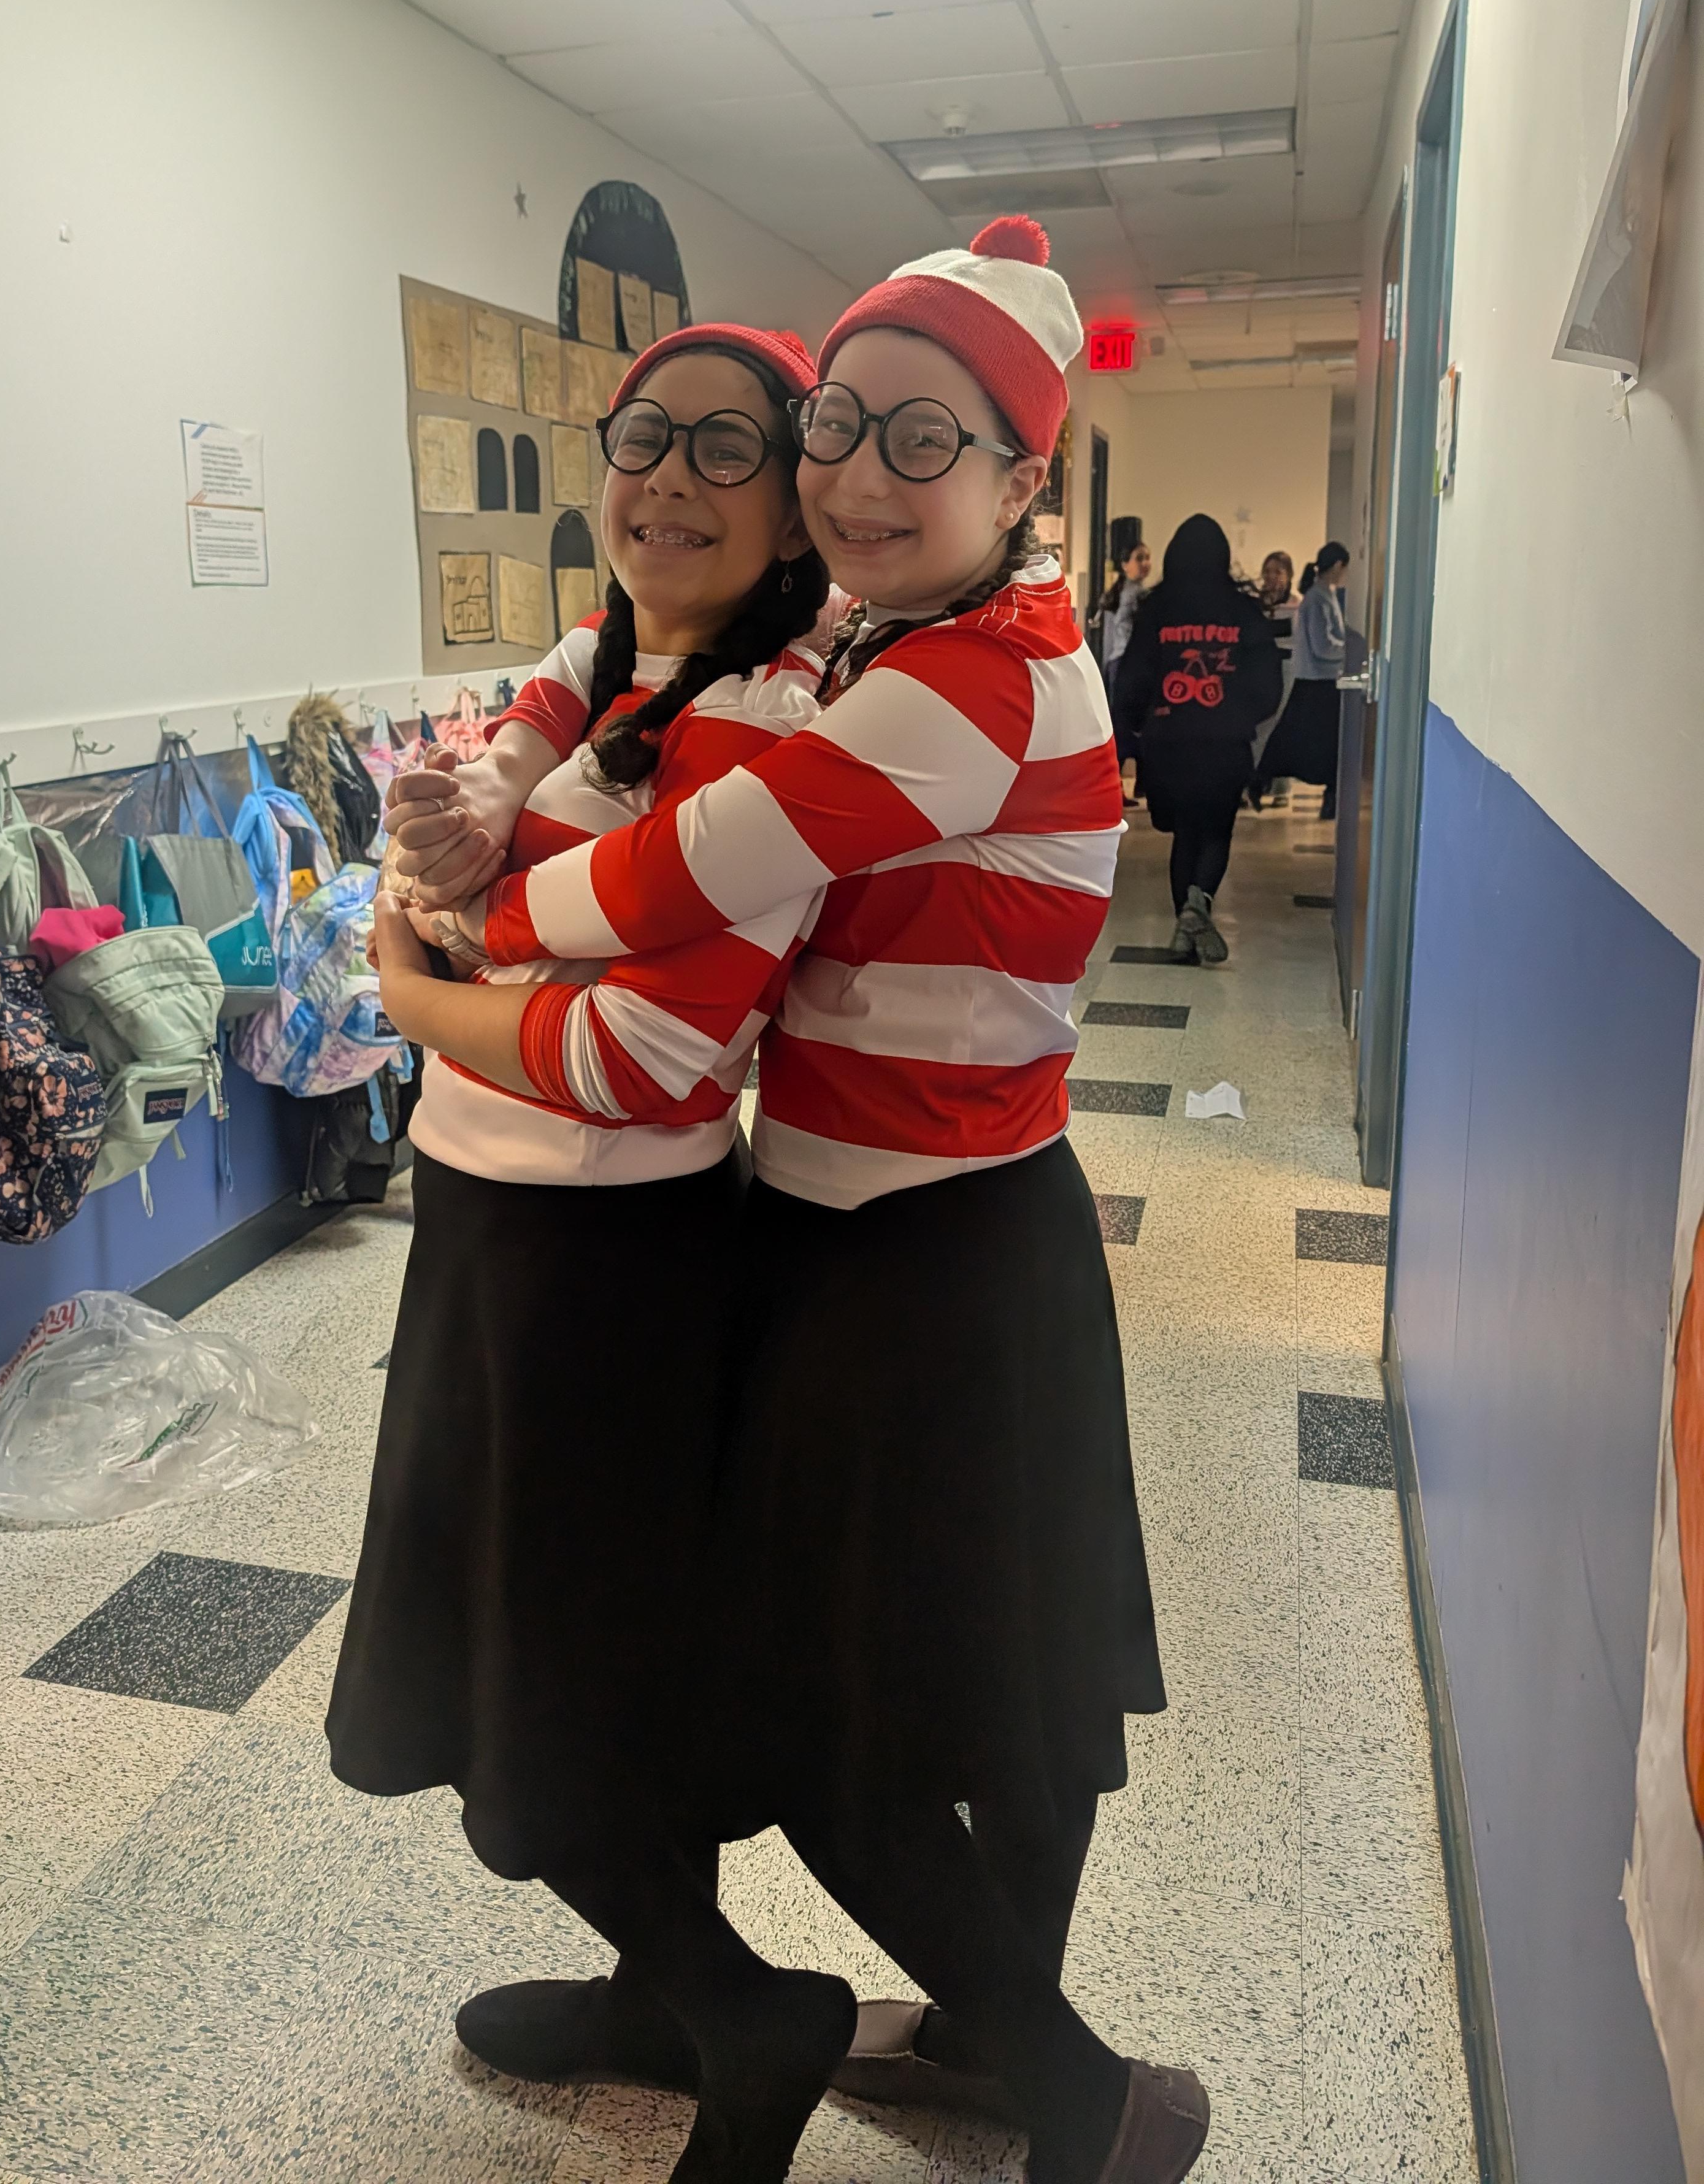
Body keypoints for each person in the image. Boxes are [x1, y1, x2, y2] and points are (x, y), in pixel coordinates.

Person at [392, 218, 1203, 2184]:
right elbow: (600, 693)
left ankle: (1074, 2088)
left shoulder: (968, 684)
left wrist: (439, 945)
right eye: (837, 424)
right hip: (900, 1228)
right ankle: (985, 2044)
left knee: (864, 1727)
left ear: (1024, 475)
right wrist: (493, 797)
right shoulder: (883, 632)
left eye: (923, 439)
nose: (854, 474)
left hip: (928, 1254)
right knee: (999, 1685)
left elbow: (664, 890)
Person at [327, 321, 867, 2184]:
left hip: (604, 1256)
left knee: (549, 1679)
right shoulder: (598, 666)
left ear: (795, 496)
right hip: (494, 1215)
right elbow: (445, 865)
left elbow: (649, 1052)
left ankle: (745, 2008)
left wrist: (414, 982)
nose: (667, 480)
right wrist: (440, 877)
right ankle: (654, 1995)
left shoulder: (773, 723)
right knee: (582, 1649)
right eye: (644, 436)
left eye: (729, 447)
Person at [1111, 514, 1283, 964]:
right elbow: (1268, 683)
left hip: (1168, 741)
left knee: (1185, 832)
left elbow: (1133, 677)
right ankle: (1199, 902)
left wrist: (1137, 724)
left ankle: (1184, 932)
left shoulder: (1156, 610)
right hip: (1225, 742)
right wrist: (1242, 715)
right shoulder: (1244, 612)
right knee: (1217, 829)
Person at [1256, 539, 1349, 821]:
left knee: (1297, 741)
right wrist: (1349, 651)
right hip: (1316, 681)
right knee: (1294, 741)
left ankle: (1264, 780)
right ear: (1338, 566)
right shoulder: (1317, 598)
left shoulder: (1322, 595)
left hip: (1321, 679)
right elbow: (1322, 646)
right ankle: (1260, 779)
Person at [1097, 534, 1151, 807]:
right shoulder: (1135, 594)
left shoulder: (1119, 593)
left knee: (1122, 725)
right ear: (1125, 564)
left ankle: (1122, 787)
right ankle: (1125, 787)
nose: (1146, 563)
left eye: (1148, 558)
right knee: (1129, 726)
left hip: (1118, 664)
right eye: (1139, 558)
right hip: (1128, 665)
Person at [1246, 550, 1298, 808]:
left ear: (1289, 575)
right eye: (1267, 571)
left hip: (1288, 668)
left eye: (1278, 571)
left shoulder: (1297, 605)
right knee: (1258, 726)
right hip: (1260, 669)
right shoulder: (1255, 605)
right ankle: (1250, 782)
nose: (1272, 577)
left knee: (1282, 724)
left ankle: (1281, 788)